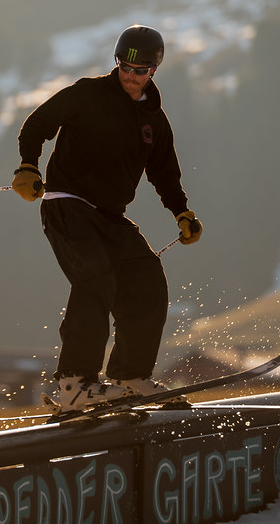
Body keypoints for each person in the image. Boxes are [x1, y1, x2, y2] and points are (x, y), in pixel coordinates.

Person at [12, 24, 202, 411]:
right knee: (96, 277)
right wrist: (28, 167)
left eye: (140, 70)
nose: (130, 77)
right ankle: (75, 384)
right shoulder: (88, 94)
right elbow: (37, 125)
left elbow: (165, 174)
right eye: (124, 67)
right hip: (67, 204)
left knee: (148, 278)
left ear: (154, 70)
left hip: (110, 216)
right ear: (117, 63)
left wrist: (182, 212)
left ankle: (130, 376)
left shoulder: (155, 123)